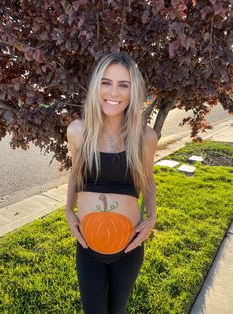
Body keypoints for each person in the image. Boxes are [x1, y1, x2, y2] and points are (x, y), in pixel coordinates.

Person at [65, 52, 158, 314]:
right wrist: (68, 210)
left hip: (129, 248)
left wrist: (151, 218)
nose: (113, 92)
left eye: (123, 84)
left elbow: (148, 180)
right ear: (96, 86)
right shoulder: (78, 131)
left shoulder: (144, 137)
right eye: (106, 82)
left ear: (133, 91)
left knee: (118, 310)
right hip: (87, 248)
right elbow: (75, 174)